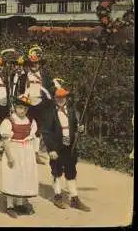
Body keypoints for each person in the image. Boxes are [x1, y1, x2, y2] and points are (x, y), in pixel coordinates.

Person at [41, 80, 91, 212]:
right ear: (54, 98)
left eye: (63, 97)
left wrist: (80, 128)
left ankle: (74, 199)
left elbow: (75, 125)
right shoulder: (50, 112)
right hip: (56, 147)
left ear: (66, 98)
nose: (61, 100)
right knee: (56, 171)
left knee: (71, 171)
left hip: (70, 146)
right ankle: (57, 196)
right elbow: (45, 132)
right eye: (58, 97)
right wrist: (51, 149)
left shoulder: (71, 111)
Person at [0, 95, 39, 219]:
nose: (22, 111)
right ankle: (10, 205)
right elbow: (5, 142)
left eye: (25, 109)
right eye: (20, 108)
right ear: (15, 107)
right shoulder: (9, 121)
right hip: (13, 150)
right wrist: (10, 157)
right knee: (12, 176)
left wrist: (32, 152)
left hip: (26, 151)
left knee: (23, 176)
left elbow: (33, 137)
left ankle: (20, 203)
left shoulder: (30, 121)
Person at [17, 45, 54, 165]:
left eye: (37, 63)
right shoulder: (23, 77)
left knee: (38, 129)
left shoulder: (46, 76)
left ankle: (36, 153)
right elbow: (19, 91)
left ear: (40, 64)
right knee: (26, 127)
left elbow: (50, 90)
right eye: (32, 64)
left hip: (40, 103)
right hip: (27, 104)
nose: (34, 65)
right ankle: (24, 152)